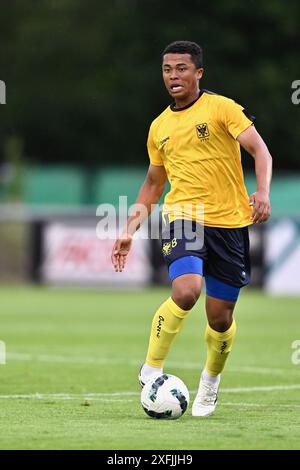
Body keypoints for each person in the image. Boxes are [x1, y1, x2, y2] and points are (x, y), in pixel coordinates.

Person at [111, 41, 272, 417]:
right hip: (185, 216)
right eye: (167, 70)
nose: (173, 76)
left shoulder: (222, 108)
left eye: (181, 68)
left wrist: (262, 191)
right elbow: (153, 183)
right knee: (186, 291)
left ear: (198, 72)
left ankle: (210, 383)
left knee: (220, 318)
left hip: (231, 224)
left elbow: (260, 151)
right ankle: (151, 368)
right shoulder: (159, 127)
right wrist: (129, 228)